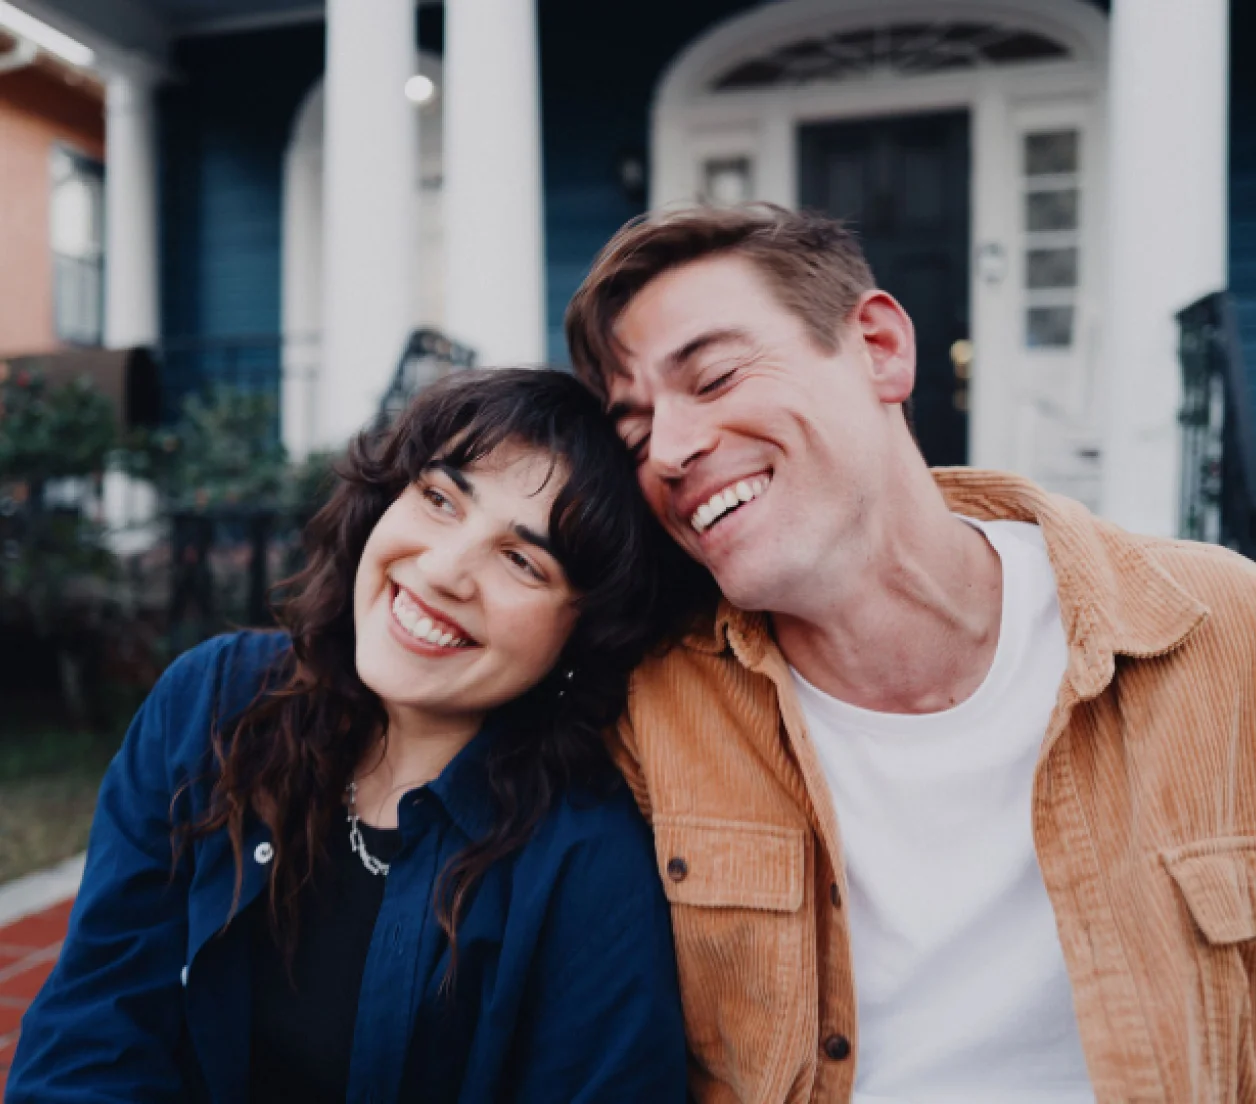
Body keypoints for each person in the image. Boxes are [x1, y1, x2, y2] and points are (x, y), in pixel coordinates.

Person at [564, 204, 1256, 1104]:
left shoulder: (1219, 629)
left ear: (880, 348)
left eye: (717, 376)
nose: (669, 449)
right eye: (633, 430)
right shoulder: (651, 711)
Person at [7, 369, 689, 1104]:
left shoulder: (586, 862)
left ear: (582, 633)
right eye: (439, 499)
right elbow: (89, 1039)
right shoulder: (211, 707)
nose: (443, 570)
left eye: (522, 561)